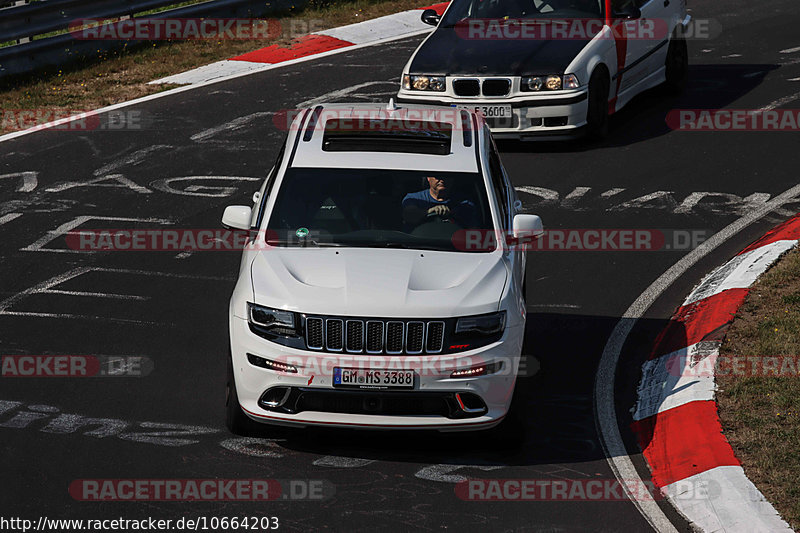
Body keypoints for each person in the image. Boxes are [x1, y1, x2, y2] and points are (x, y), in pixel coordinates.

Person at [402, 175, 477, 230]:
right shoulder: (413, 198)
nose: (442, 180)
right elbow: (409, 215)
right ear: (428, 178)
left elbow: (473, 231)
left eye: (446, 176)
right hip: (416, 244)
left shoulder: (465, 203)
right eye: (437, 176)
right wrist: (429, 211)